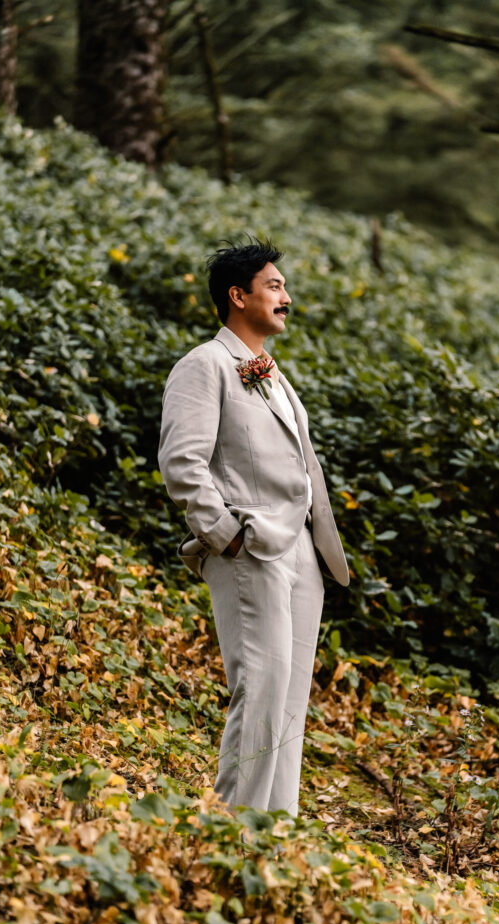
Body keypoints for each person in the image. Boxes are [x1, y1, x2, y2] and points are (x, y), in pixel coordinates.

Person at [158, 238, 349, 817]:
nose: (286, 297)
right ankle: (228, 837)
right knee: (260, 693)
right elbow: (181, 463)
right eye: (275, 286)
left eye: (285, 287)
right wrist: (226, 535)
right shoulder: (202, 365)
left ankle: (274, 839)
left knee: (289, 704)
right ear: (237, 296)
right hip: (250, 550)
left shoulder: (273, 374)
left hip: (301, 556)